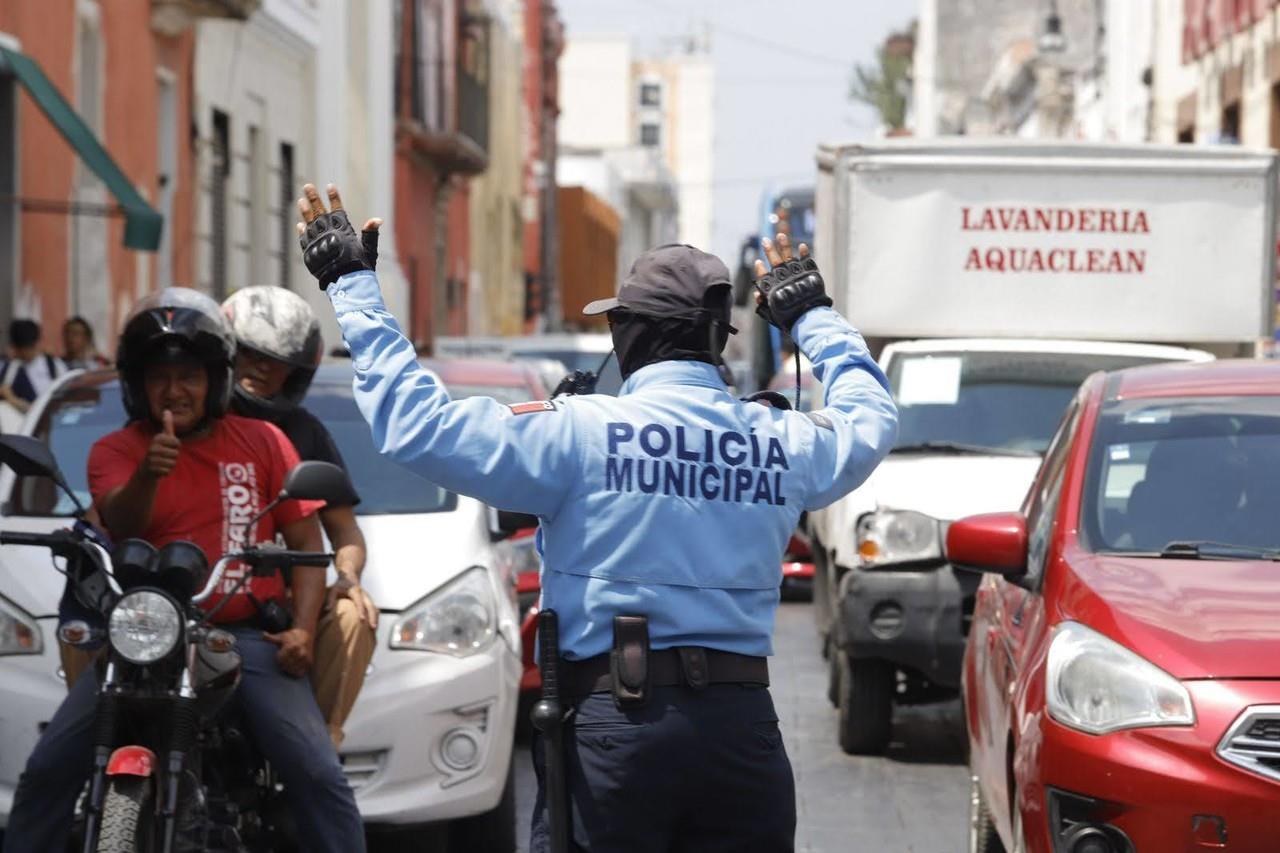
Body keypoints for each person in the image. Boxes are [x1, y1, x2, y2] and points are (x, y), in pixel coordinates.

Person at [295, 183, 898, 852]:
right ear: (714, 337)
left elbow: (417, 425)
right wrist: (811, 314)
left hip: (618, 729)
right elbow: (870, 419)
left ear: (630, 332)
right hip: (741, 733)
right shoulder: (777, 441)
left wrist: (352, 285)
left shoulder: (576, 434)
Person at [1, 288, 366, 853]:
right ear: (137, 386)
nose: (174, 390)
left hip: (243, 637)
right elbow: (118, 521)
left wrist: (300, 627)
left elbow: (305, 544)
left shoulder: (265, 440)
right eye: (159, 378)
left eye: (190, 375)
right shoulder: (115, 450)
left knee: (317, 774)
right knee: (48, 771)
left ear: (215, 380)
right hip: (141, 636)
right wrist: (149, 473)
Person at [222, 284, 378, 747]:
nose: (261, 368)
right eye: (249, 353)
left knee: (354, 614)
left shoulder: (305, 433)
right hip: (200, 595)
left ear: (296, 371)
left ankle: (319, 743)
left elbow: (344, 531)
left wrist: (348, 578)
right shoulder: (197, 420)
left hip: (285, 606)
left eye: (276, 360)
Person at [0, 319, 66, 413]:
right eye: (23, 348)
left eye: (29, 347)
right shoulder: (12, 367)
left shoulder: (53, 364)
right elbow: (5, 391)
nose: (27, 352)